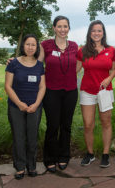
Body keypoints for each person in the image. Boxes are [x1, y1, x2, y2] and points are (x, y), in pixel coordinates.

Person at [5, 34, 46, 180]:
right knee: (19, 136)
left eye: (33, 45)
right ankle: (20, 167)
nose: (30, 47)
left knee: (32, 137)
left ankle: (32, 166)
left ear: (37, 47)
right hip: (16, 107)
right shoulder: (13, 63)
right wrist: (20, 104)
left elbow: (42, 87)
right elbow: (8, 86)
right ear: (23, 46)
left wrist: (35, 104)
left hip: (34, 107)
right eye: (28, 44)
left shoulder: (39, 65)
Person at [41, 16, 79, 172]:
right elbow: (35, 63)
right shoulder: (46, 45)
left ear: (69, 28)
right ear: (54, 28)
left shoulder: (74, 46)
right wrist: (15, 61)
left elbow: (79, 66)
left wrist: (68, 76)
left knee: (66, 126)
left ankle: (64, 156)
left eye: (65, 26)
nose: (62, 29)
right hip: (51, 91)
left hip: (70, 91)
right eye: (59, 26)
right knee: (53, 125)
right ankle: (50, 158)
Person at [76, 20, 115, 168]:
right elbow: (75, 69)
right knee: (88, 124)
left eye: (99, 31)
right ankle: (90, 154)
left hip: (105, 91)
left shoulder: (111, 50)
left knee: (106, 122)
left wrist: (109, 78)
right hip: (87, 91)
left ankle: (105, 154)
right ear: (89, 33)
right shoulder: (82, 50)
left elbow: (114, 69)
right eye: (94, 31)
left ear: (103, 33)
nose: (96, 33)